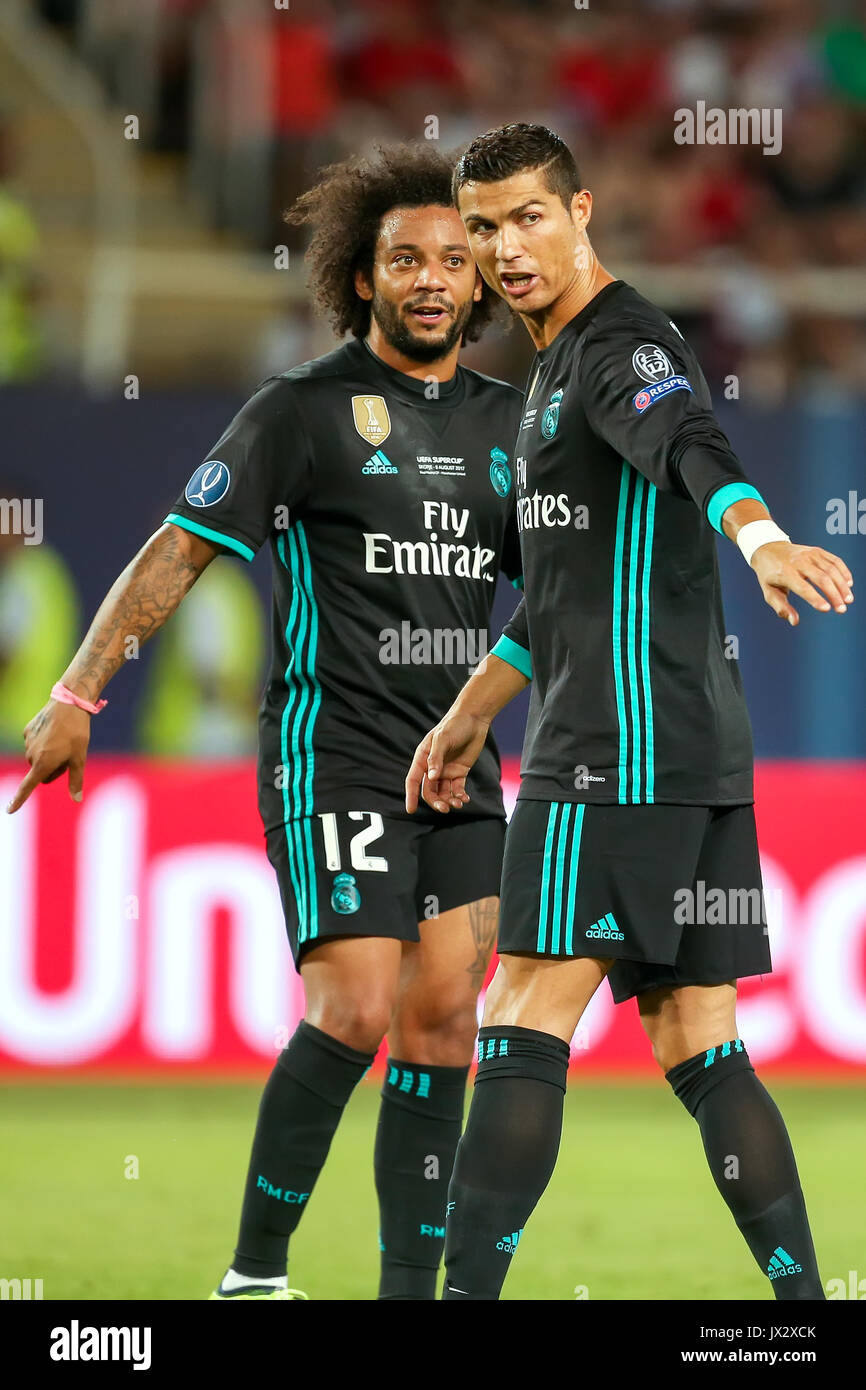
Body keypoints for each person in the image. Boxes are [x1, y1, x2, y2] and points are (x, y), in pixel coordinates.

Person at [7, 144, 524, 1301]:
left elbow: (560, 594)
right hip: (333, 751)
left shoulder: (515, 427)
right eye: (404, 260)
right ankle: (254, 1275)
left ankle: (410, 1291)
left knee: (444, 1020)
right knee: (351, 1005)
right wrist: (77, 691)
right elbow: (178, 547)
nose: (432, 278)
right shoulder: (301, 410)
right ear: (360, 278)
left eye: (454, 258)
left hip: (458, 765)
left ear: (482, 278)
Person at [405, 123, 854, 1301]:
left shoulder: (617, 347)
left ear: (583, 211)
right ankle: (804, 1312)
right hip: (691, 745)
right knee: (697, 1035)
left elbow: (696, 446)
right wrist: (465, 714)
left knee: (517, 1011)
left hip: (611, 745)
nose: (505, 249)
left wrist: (758, 539)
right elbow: (551, 598)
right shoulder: (548, 371)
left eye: (528, 218)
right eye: (484, 228)